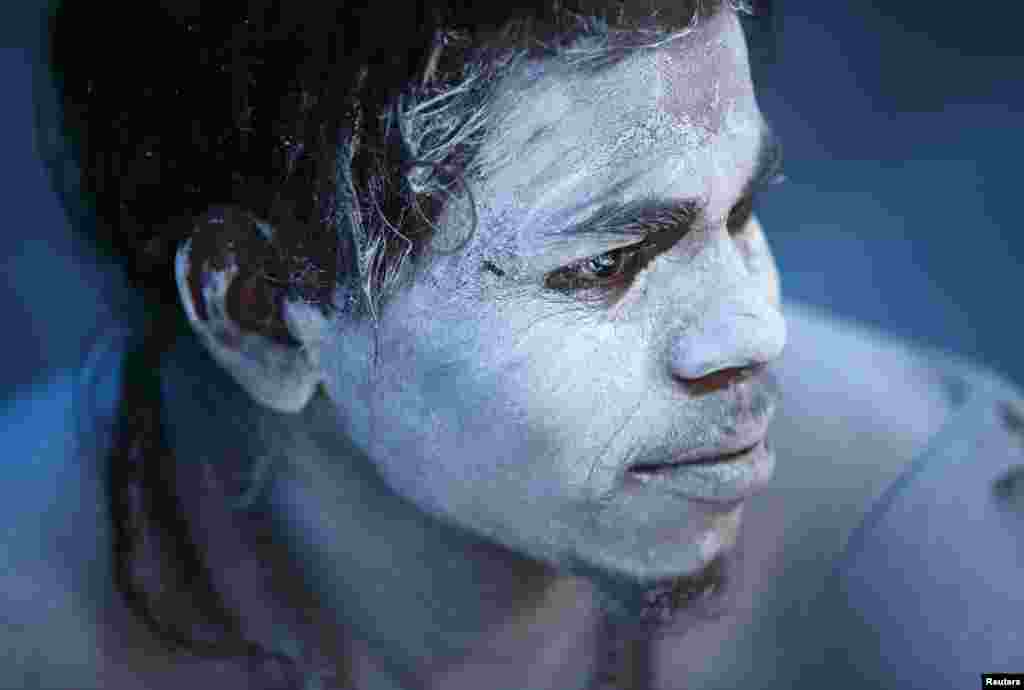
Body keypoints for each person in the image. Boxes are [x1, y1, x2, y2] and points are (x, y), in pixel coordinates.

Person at [7, 0, 1022, 688]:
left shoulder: (926, 547)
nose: (756, 330)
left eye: (745, 211)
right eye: (606, 263)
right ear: (263, 311)